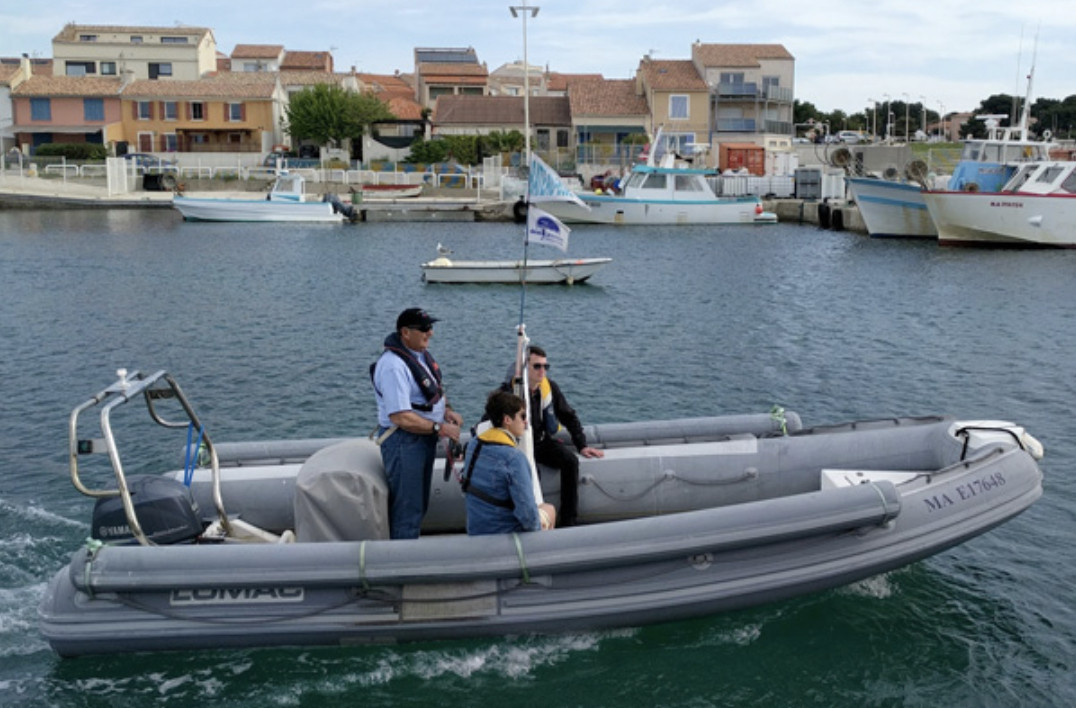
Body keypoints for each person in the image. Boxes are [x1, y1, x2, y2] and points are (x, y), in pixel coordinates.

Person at [371, 308, 463, 539]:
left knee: (418, 504)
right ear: (405, 332)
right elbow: (400, 417)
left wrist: (447, 411)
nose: (430, 333)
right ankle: (400, 564)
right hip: (404, 442)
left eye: (430, 327)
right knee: (407, 509)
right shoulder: (393, 366)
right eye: (423, 329)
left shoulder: (418, 356)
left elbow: (430, 392)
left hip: (421, 440)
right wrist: (440, 428)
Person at [501, 344, 604, 527]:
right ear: (526, 367)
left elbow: (568, 416)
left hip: (540, 443)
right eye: (537, 366)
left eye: (545, 366)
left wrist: (582, 445)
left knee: (570, 461)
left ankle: (568, 519)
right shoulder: (510, 393)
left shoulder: (550, 389)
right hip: (516, 446)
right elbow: (489, 419)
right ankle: (525, 521)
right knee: (530, 474)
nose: (542, 371)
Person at [461, 391, 556, 535]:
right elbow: (528, 518)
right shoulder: (514, 459)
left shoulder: (474, 445)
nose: (526, 422)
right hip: (503, 532)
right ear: (507, 420)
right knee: (549, 510)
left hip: (476, 527)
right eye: (522, 416)